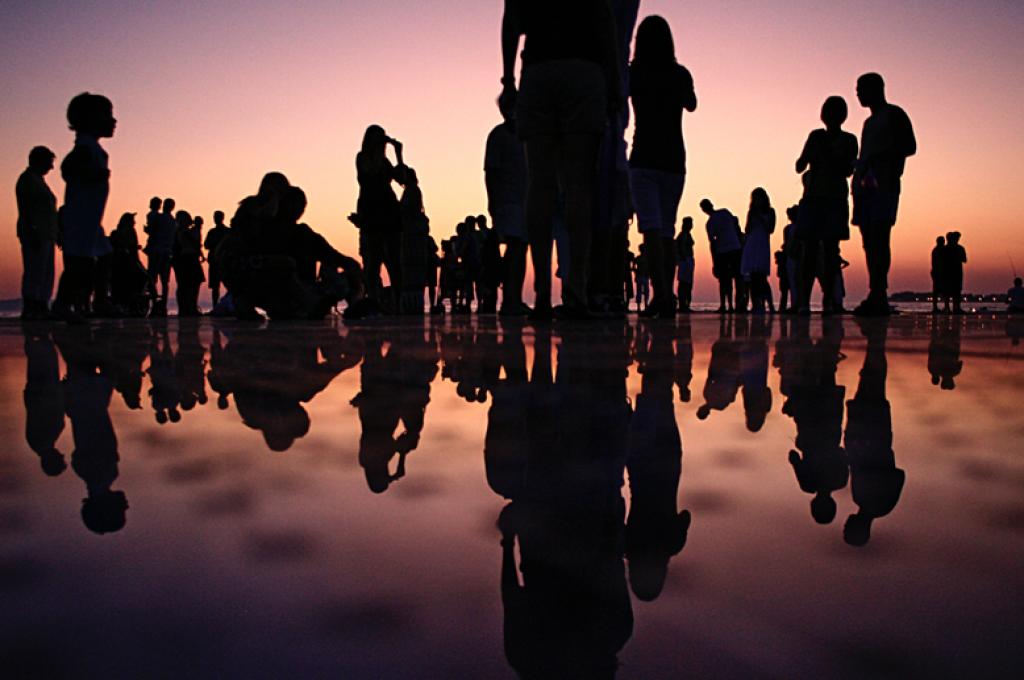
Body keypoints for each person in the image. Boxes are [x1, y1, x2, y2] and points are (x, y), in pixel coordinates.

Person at [500, 0, 622, 320]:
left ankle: (542, 295)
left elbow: (512, 18)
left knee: (539, 182)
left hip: (539, 69)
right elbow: (604, 20)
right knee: (579, 185)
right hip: (584, 70)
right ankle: (576, 294)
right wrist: (614, 81)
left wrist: (508, 79)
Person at [628, 15, 697, 318]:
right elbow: (691, 104)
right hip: (673, 160)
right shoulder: (679, 74)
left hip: (644, 157)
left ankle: (662, 297)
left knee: (652, 232)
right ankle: (665, 296)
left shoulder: (635, 73)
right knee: (666, 231)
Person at [851, 73, 916, 316]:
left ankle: (879, 293)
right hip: (864, 187)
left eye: (860, 89)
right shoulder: (868, 123)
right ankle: (874, 291)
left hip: (885, 184)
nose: (857, 94)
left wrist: (879, 158)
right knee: (869, 241)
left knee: (880, 237)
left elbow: (909, 146)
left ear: (875, 89)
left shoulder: (894, 114)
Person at [52, 93, 117, 324]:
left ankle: (99, 300)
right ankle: (62, 304)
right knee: (79, 264)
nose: (114, 121)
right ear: (91, 119)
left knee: (105, 256)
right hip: (79, 218)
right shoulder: (85, 148)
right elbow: (68, 167)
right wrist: (92, 174)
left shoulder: (95, 149)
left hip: (91, 220)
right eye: (108, 116)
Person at [795, 95, 858, 315]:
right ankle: (803, 302)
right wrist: (809, 157)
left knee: (831, 251)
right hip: (813, 198)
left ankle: (828, 300)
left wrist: (829, 157)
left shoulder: (849, 140)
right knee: (809, 251)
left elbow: (848, 170)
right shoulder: (815, 136)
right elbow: (799, 165)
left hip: (834, 199)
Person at [352, 125, 406, 311]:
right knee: (372, 261)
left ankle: (398, 303)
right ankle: (374, 301)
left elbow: (403, 179)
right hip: (371, 212)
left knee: (394, 261)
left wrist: (399, 155)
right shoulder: (363, 158)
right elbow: (369, 174)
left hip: (389, 211)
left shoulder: (385, 161)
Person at [16, 146, 59, 320]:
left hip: (47, 234)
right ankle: (32, 307)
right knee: (35, 270)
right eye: (49, 163)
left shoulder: (38, 181)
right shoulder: (27, 180)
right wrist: (32, 231)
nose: (51, 167)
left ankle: (42, 305)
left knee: (46, 271)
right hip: (35, 233)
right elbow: (26, 209)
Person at [700, 198, 742, 312]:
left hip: (727, 250)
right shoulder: (723, 213)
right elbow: (736, 227)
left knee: (727, 280)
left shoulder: (714, 220)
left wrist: (714, 261)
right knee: (731, 279)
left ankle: (730, 305)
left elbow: (713, 243)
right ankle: (730, 305)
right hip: (731, 249)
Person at [741, 188, 776, 314]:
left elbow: (771, 228)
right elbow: (747, 229)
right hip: (751, 243)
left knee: (761, 277)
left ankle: (769, 304)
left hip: (762, 244)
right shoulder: (751, 212)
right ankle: (756, 304)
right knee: (752, 277)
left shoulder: (770, 211)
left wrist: (761, 218)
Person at [145, 197, 177, 316]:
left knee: (153, 278)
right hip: (167, 252)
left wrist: (148, 230)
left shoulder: (158, 217)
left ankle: (155, 305)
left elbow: (153, 231)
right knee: (164, 281)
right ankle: (163, 306)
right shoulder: (173, 221)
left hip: (157, 250)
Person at [204, 210, 230, 305]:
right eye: (215, 217)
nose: (215, 219)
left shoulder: (227, 231)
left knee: (228, 285)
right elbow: (206, 245)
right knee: (215, 286)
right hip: (215, 261)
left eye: (217, 217)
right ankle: (216, 306)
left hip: (225, 262)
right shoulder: (212, 232)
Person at [941, 231, 967, 314]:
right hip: (953, 272)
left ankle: (949, 308)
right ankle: (954, 308)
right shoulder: (959, 248)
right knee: (953, 291)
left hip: (951, 272)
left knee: (952, 291)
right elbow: (964, 259)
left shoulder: (945, 249)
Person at [675, 217, 695, 312]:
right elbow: (681, 247)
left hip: (686, 260)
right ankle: (683, 305)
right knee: (685, 283)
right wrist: (684, 259)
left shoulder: (686, 234)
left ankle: (685, 304)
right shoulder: (683, 235)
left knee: (687, 283)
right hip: (685, 260)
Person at [930, 236, 945, 313]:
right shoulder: (937, 250)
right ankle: (935, 307)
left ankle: (942, 307)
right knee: (937, 291)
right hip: (938, 272)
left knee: (940, 290)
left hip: (938, 271)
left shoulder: (937, 250)